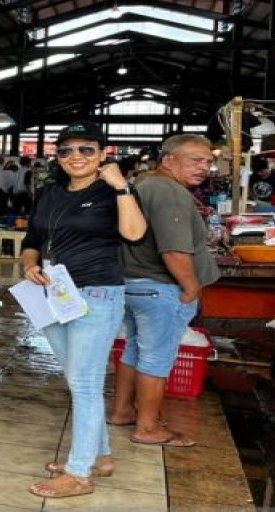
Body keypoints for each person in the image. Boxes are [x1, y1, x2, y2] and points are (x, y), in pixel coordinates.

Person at [19, 122, 147, 499]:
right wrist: (30, 265)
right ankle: (100, 456)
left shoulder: (114, 192)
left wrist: (120, 185)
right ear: (57, 157)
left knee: (85, 383)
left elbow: (135, 234)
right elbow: (34, 240)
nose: (76, 157)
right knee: (78, 378)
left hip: (97, 294)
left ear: (103, 153)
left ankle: (78, 473)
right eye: (67, 150)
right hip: (54, 294)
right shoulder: (51, 193)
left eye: (86, 149)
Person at [109, 133, 220, 448]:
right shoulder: (169, 192)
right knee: (157, 357)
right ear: (169, 160)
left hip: (134, 284)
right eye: (195, 160)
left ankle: (121, 412)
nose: (204, 167)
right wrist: (191, 286)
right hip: (159, 287)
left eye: (208, 161)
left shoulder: (145, 184)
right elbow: (173, 250)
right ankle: (147, 426)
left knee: (134, 348)